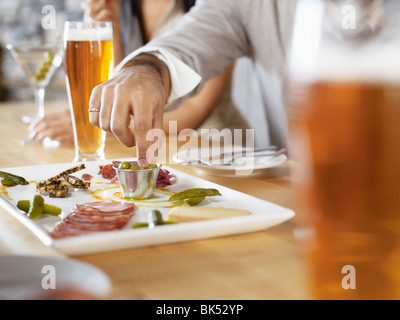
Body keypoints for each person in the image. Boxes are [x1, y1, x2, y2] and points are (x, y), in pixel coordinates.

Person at [88, 0, 298, 167]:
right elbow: (184, 49)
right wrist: (143, 70)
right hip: (300, 182)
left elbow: (196, 109)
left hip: (222, 145)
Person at [28, 0, 248, 145]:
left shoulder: (215, 9)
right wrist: (109, 28)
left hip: (216, 144)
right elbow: (114, 88)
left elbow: (193, 111)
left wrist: (103, 126)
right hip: (149, 144)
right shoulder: (119, 5)